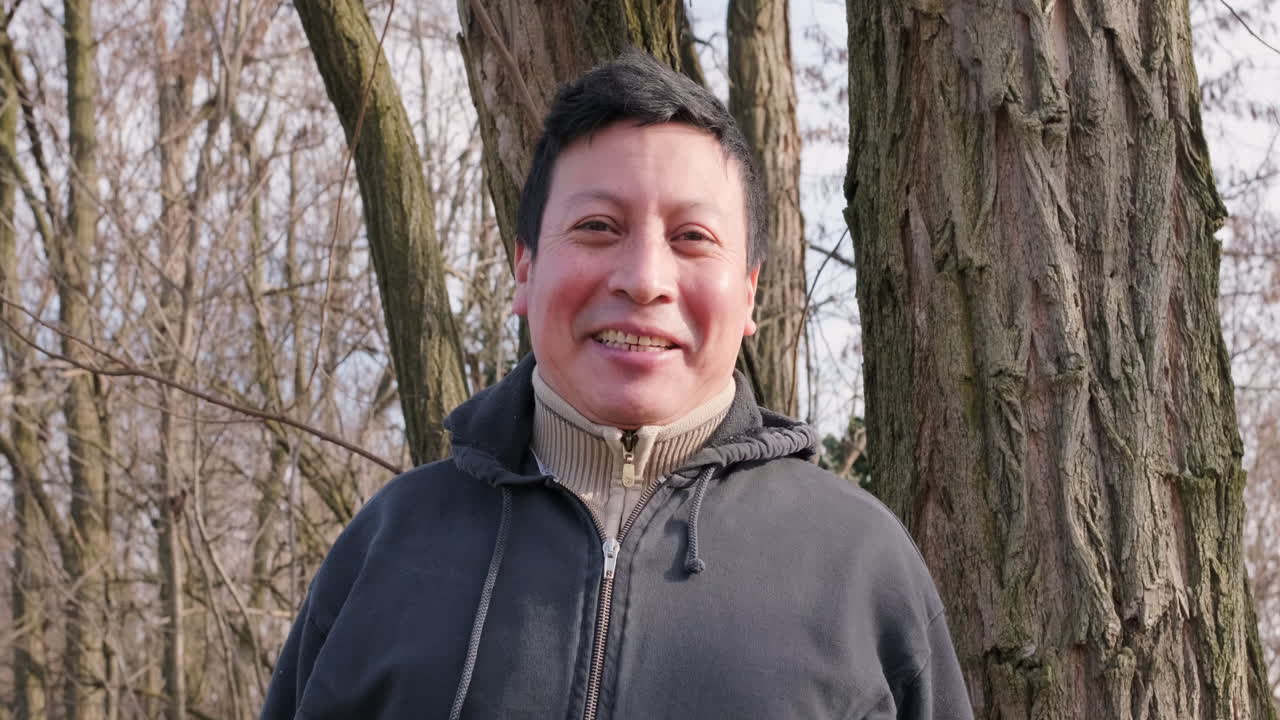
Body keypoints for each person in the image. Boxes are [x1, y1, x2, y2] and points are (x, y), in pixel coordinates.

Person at [262, 50, 972, 720]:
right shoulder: (389, 549)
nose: (643, 279)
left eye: (692, 238)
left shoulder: (859, 566)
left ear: (750, 293)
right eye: (598, 227)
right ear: (524, 271)